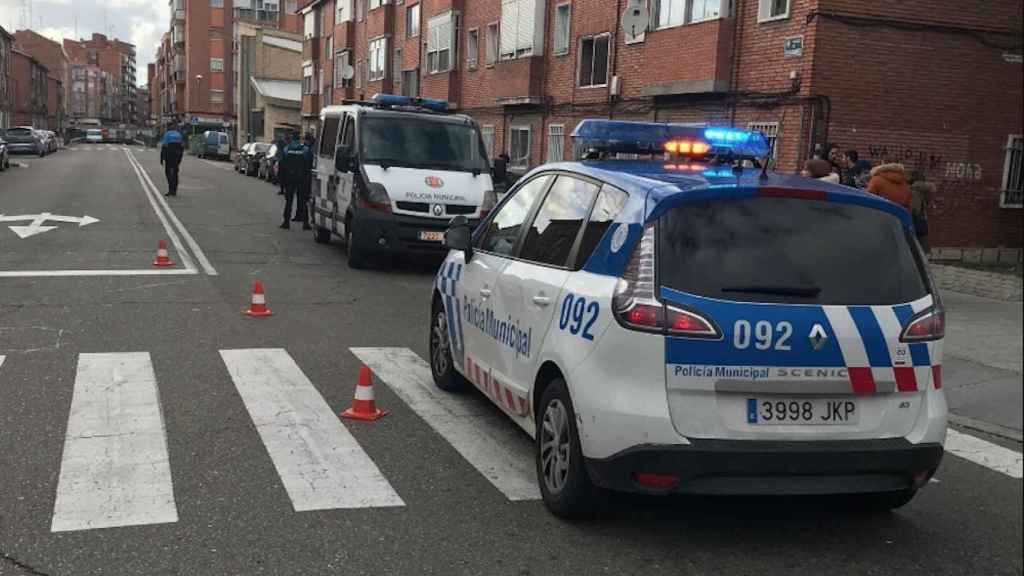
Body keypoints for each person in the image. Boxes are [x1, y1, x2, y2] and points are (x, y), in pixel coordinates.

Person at [909, 171, 935, 254]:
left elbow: (914, 208)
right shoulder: (924, 190)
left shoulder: (912, 190)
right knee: (922, 242)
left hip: (914, 218)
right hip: (920, 218)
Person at [159, 124, 185, 197]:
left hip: (169, 155)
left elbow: (164, 147)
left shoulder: (167, 134)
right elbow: (182, 147)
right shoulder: (179, 135)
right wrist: (180, 159)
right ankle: (174, 190)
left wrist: (162, 159)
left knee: (168, 172)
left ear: (168, 128)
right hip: (177, 156)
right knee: (175, 172)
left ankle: (170, 189)